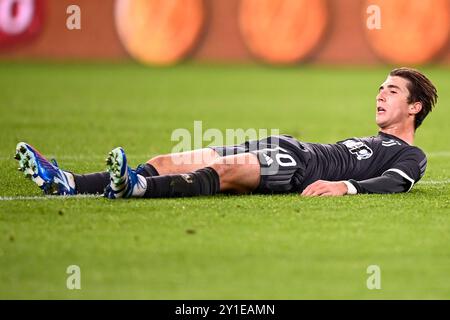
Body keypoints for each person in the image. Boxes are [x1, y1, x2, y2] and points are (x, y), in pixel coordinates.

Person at [15, 67, 437, 198]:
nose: (380, 95)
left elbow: (394, 184)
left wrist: (345, 187)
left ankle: (136, 189)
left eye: (392, 90)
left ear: (414, 107)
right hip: (284, 145)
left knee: (227, 170)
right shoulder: (373, 141)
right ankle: (68, 182)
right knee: (167, 160)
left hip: (299, 165)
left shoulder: (410, 156)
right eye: (379, 88)